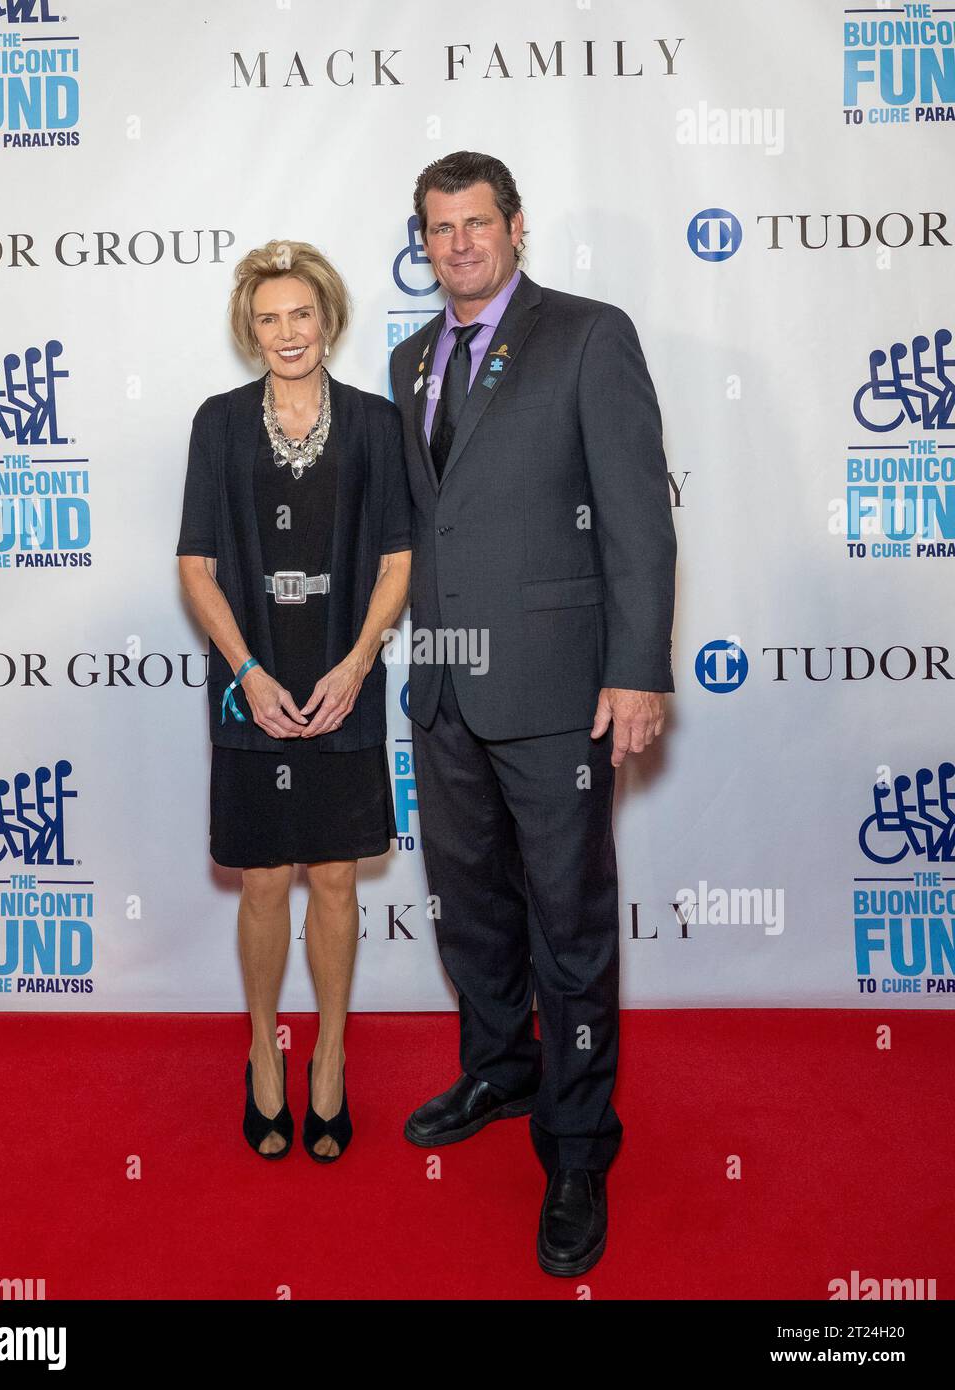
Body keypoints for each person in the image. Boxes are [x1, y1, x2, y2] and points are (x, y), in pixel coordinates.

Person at [389, 152, 676, 1275]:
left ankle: (576, 1143)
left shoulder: (588, 334)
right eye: (437, 228)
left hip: (559, 688)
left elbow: (637, 518)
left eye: (475, 223)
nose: (457, 243)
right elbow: (432, 526)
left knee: (567, 920)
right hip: (444, 679)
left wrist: (637, 666)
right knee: (470, 909)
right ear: (420, 240)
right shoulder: (412, 355)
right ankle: (499, 1067)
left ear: (514, 226)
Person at [177, 240, 411, 1163]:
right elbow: (196, 566)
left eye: (301, 314)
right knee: (266, 878)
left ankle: (331, 1057)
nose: (286, 332)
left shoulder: (373, 425)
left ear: (329, 320)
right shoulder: (219, 423)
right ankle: (263, 1050)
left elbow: (397, 559)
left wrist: (356, 664)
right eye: (268, 318)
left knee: (339, 878)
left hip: (342, 676)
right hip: (253, 681)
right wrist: (246, 672)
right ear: (250, 330)